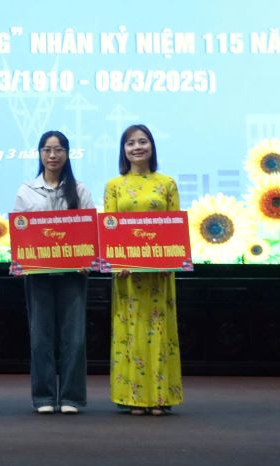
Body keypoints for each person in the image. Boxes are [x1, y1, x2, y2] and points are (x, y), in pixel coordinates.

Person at [103, 124, 184, 416]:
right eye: (130, 143)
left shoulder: (167, 183)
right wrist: (118, 261)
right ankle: (133, 397)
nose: (137, 147)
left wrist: (171, 259)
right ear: (123, 151)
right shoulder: (114, 185)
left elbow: (175, 226)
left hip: (159, 273)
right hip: (127, 274)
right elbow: (109, 226)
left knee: (158, 329)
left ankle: (160, 396)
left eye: (142, 141)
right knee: (131, 330)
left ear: (152, 146)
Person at [12, 130, 95, 414]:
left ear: (67, 154)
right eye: (47, 150)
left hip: (73, 275)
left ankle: (71, 397)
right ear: (39, 154)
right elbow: (20, 234)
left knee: (74, 337)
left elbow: (90, 232)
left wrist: (88, 258)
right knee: (40, 336)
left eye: (58, 149)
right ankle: (44, 397)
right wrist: (21, 260)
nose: (52, 155)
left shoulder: (80, 190)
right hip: (39, 275)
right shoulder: (27, 190)